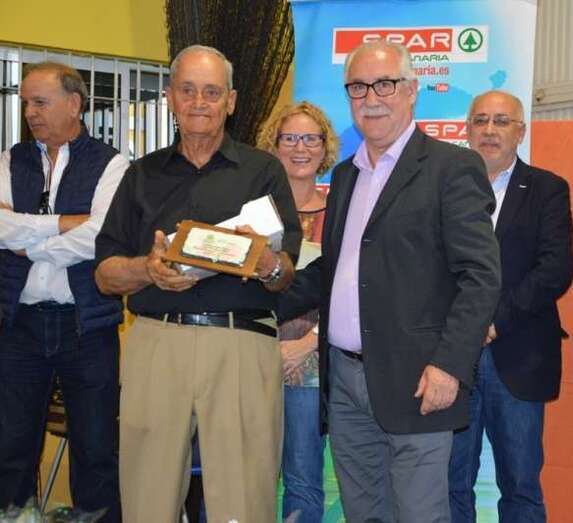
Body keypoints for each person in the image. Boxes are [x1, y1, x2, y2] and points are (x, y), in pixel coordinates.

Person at [279, 40, 501, 522]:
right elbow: (335, 270)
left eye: (385, 84)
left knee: (419, 513)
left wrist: (449, 366)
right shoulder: (345, 176)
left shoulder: (451, 167)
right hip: (344, 381)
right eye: (358, 87)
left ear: (412, 90)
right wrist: (259, 287)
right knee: (363, 513)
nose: (371, 98)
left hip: (419, 380)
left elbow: (481, 276)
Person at [94, 45, 301, 522]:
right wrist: (148, 270)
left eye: (211, 92)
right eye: (187, 90)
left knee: (244, 496)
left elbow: (285, 274)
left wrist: (266, 262)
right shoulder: (141, 174)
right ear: (170, 97)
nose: (199, 102)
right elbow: (104, 274)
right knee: (147, 494)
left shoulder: (263, 171)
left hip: (240, 343)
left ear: (231, 101)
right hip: (156, 341)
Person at [0, 62, 127, 521]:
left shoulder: (112, 164)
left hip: (86, 326)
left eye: (40, 102)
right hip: (18, 325)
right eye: (26, 103)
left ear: (74, 104)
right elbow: (0, 227)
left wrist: (30, 242)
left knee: (95, 448)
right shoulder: (10, 159)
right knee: (10, 446)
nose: (30, 113)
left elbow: (101, 237)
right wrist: (63, 224)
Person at [448, 90, 573, 523]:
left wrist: (493, 322)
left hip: (519, 355)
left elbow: (554, 270)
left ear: (520, 132)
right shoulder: (445, 188)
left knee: (520, 485)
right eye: (480, 120)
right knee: (450, 482)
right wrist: (465, 325)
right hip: (452, 358)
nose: (489, 130)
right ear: (467, 131)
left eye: (501, 121)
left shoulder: (547, 189)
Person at [259, 101, 338, 522]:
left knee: (304, 479)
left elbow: (350, 289)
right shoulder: (252, 214)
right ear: (273, 146)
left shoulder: (341, 212)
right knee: (244, 475)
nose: (300, 148)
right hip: (252, 356)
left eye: (311, 138)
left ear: (325, 148)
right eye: (289, 138)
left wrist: (308, 344)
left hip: (312, 363)